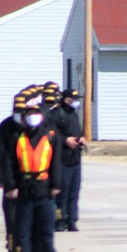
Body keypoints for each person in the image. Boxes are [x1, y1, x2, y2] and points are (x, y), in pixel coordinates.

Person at [1, 102, 63, 252]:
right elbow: (8, 164)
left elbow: (56, 163)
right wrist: (11, 186)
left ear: (41, 116)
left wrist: (56, 185)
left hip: (44, 187)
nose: (32, 117)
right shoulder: (17, 137)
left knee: (46, 229)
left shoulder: (50, 136)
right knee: (22, 229)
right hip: (25, 188)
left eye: (35, 113)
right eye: (29, 114)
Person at [0, 98, 27, 252]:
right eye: (17, 110)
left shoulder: (33, 126)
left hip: (29, 178)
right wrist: (1, 178)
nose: (20, 114)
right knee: (11, 214)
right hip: (11, 177)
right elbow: (1, 153)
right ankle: (13, 245)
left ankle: (27, 247)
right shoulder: (6, 126)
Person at [55, 88, 86, 231]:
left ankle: (72, 219)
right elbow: (52, 136)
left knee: (74, 191)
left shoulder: (73, 113)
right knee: (63, 192)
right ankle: (60, 219)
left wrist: (81, 139)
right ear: (66, 100)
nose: (76, 102)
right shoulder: (57, 114)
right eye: (74, 100)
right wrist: (65, 140)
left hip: (75, 159)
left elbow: (76, 131)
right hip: (63, 160)